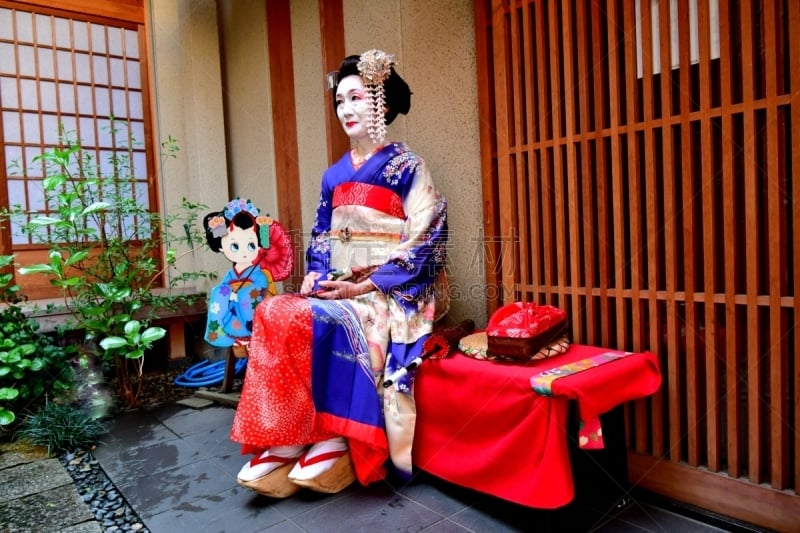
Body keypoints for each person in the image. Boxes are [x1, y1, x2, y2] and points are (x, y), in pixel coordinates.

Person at [230, 49, 448, 498]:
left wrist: (366, 283)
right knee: (275, 311)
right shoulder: (333, 175)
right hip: (341, 284)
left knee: (334, 320)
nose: (346, 109)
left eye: (356, 98)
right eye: (340, 101)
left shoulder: (409, 168)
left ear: (381, 103)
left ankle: (334, 435)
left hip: (389, 289)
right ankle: (288, 434)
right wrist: (315, 273)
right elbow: (324, 237)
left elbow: (427, 237)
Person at [203, 198, 293, 357]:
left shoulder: (260, 274)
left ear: (259, 246)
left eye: (251, 245)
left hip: (252, 313)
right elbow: (223, 291)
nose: (244, 252)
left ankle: (248, 336)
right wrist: (227, 293)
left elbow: (259, 288)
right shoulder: (231, 275)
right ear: (221, 247)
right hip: (231, 315)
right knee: (219, 292)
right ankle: (227, 335)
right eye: (234, 246)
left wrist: (238, 295)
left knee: (248, 295)